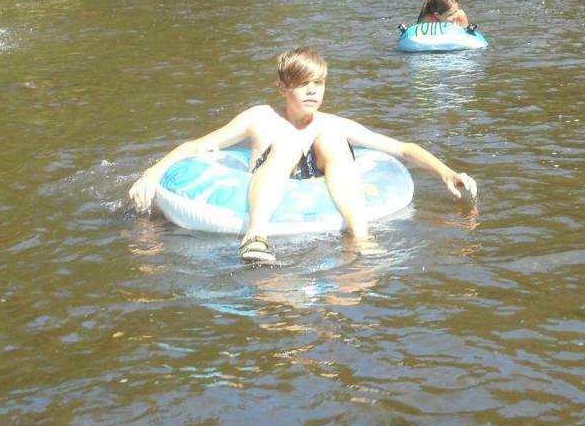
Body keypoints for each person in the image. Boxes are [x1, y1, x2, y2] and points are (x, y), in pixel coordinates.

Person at [128, 47, 477, 264]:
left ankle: (361, 237)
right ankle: (255, 238)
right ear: (283, 88)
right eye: (303, 84)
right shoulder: (260, 118)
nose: (312, 91)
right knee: (289, 144)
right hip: (262, 184)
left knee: (333, 142)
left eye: (319, 84)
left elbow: (402, 148)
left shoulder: (331, 124)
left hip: (315, 187)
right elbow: (195, 146)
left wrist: (446, 172)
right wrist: (151, 174)